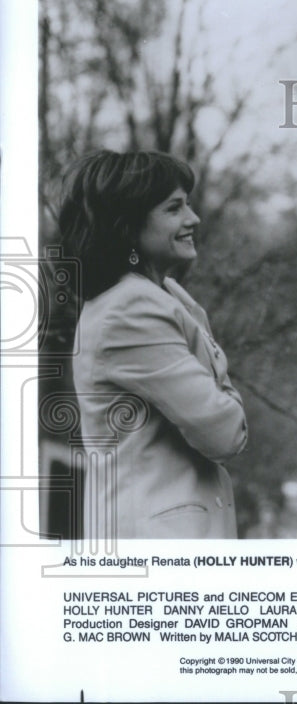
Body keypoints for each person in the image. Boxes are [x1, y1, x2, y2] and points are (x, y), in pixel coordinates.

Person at [59, 150, 247, 539]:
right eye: (174, 208)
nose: (193, 219)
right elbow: (225, 434)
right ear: (127, 227)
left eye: (189, 204)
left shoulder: (158, 297)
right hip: (159, 546)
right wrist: (228, 395)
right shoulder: (132, 309)